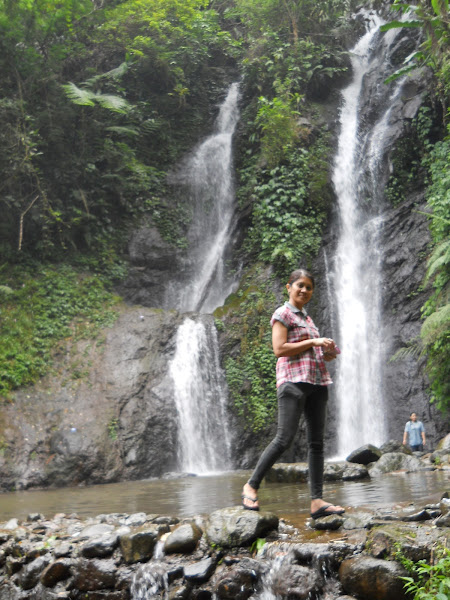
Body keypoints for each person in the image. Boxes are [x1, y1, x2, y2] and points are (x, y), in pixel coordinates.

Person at [241, 268, 345, 519]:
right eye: (300, 285)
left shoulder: (309, 320)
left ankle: (316, 501)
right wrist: (313, 342)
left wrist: (328, 352)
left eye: (309, 287)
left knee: (316, 444)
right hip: (292, 383)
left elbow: (314, 352)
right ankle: (251, 485)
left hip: (317, 383)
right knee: (283, 439)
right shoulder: (283, 313)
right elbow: (279, 349)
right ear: (289, 287)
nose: (304, 290)